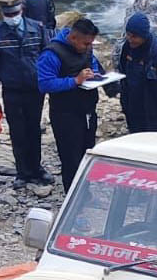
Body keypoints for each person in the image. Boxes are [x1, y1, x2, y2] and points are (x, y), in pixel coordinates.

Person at [0, 0, 54, 188]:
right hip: (12, 90)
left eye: (14, 14)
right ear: (2, 14)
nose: (11, 18)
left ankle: (36, 168)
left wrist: (50, 83)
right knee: (17, 131)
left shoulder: (37, 29)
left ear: (21, 10)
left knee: (34, 128)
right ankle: (23, 172)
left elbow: (47, 56)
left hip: (35, 89)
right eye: (7, 15)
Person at [37, 17, 115, 190]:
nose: (88, 47)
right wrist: (74, 81)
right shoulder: (51, 54)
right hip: (65, 115)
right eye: (86, 44)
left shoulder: (85, 48)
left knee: (88, 153)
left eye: (90, 44)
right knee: (71, 159)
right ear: (73, 38)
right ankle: (71, 197)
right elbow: (44, 84)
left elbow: (92, 63)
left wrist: (95, 74)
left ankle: (85, 191)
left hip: (87, 111)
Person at [114, 13, 157, 134]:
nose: (130, 39)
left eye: (134, 36)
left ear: (144, 36)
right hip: (133, 111)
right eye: (128, 35)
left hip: (154, 117)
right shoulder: (127, 49)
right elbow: (123, 76)